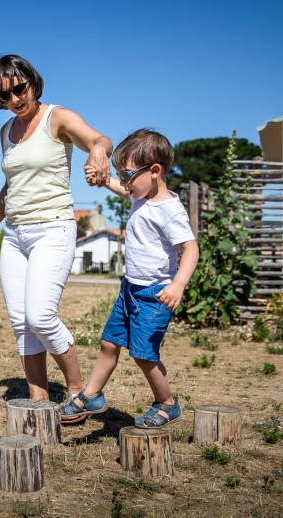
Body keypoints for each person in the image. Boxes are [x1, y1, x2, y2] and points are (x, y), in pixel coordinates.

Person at [0, 54, 112, 414]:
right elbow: (11, 186)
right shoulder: (5, 133)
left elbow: (99, 139)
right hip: (15, 235)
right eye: (5, 96)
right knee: (21, 323)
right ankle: (38, 401)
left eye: (20, 89)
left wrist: (98, 152)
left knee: (40, 316)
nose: (16, 99)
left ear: (33, 82)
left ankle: (79, 392)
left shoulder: (57, 117)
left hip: (52, 228)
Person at [59, 128, 199, 427]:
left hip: (154, 294)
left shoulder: (170, 210)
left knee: (144, 354)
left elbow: (190, 248)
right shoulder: (140, 194)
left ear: (155, 170)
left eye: (127, 175)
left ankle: (167, 403)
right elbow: (125, 190)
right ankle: (92, 395)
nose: (124, 183)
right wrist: (104, 180)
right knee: (109, 343)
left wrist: (178, 284)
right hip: (130, 290)